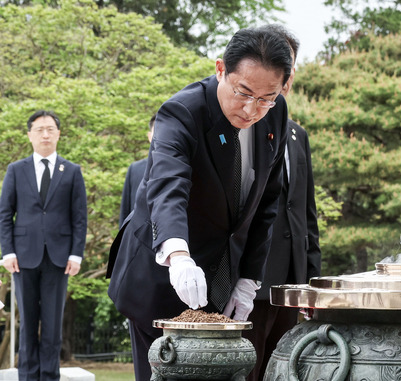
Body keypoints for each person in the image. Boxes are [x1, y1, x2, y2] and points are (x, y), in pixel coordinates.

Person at [106, 27, 293, 380]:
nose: (253, 109)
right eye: (244, 93)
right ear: (221, 69)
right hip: (160, 273)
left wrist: (249, 280)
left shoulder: (276, 113)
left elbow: (267, 202)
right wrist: (178, 256)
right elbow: (166, 186)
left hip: (220, 277)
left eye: (268, 96)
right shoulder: (182, 113)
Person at [242, 24, 321, 381]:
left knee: (287, 370)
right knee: (250, 368)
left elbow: (306, 212)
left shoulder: (298, 134)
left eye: (288, 64)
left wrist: (312, 280)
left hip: (294, 283)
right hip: (254, 280)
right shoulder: (245, 126)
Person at [0, 110, 88, 381]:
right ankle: (28, 375)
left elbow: (79, 217)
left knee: (51, 324)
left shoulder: (72, 171)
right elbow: (5, 213)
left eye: (50, 129)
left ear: (59, 133)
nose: (46, 134)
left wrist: (76, 254)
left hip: (59, 258)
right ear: (30, 135)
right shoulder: (16, 170)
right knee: (27, 322)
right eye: (40, 129)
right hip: (23, 257)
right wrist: (7, 252)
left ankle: (50, 376)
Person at [119, 115, 155, 227]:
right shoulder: (135, 169)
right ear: (149, 136)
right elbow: (125, 211)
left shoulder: (183, 168)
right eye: (156, 131)